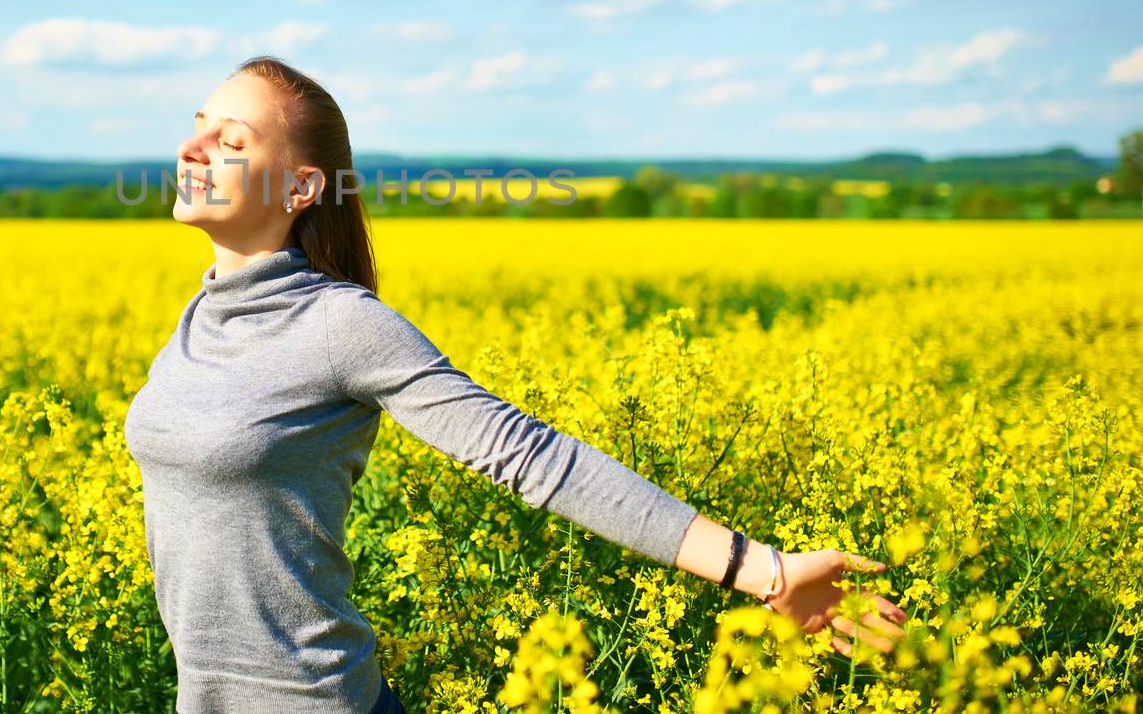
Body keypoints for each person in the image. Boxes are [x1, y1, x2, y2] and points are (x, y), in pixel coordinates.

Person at [123, 56, 907, 713]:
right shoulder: (199, 317)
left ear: (299, 190)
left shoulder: (340, 325)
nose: (194, 148)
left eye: (230, 139)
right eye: (197, 126)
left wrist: (763, 568)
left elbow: (533, 456)